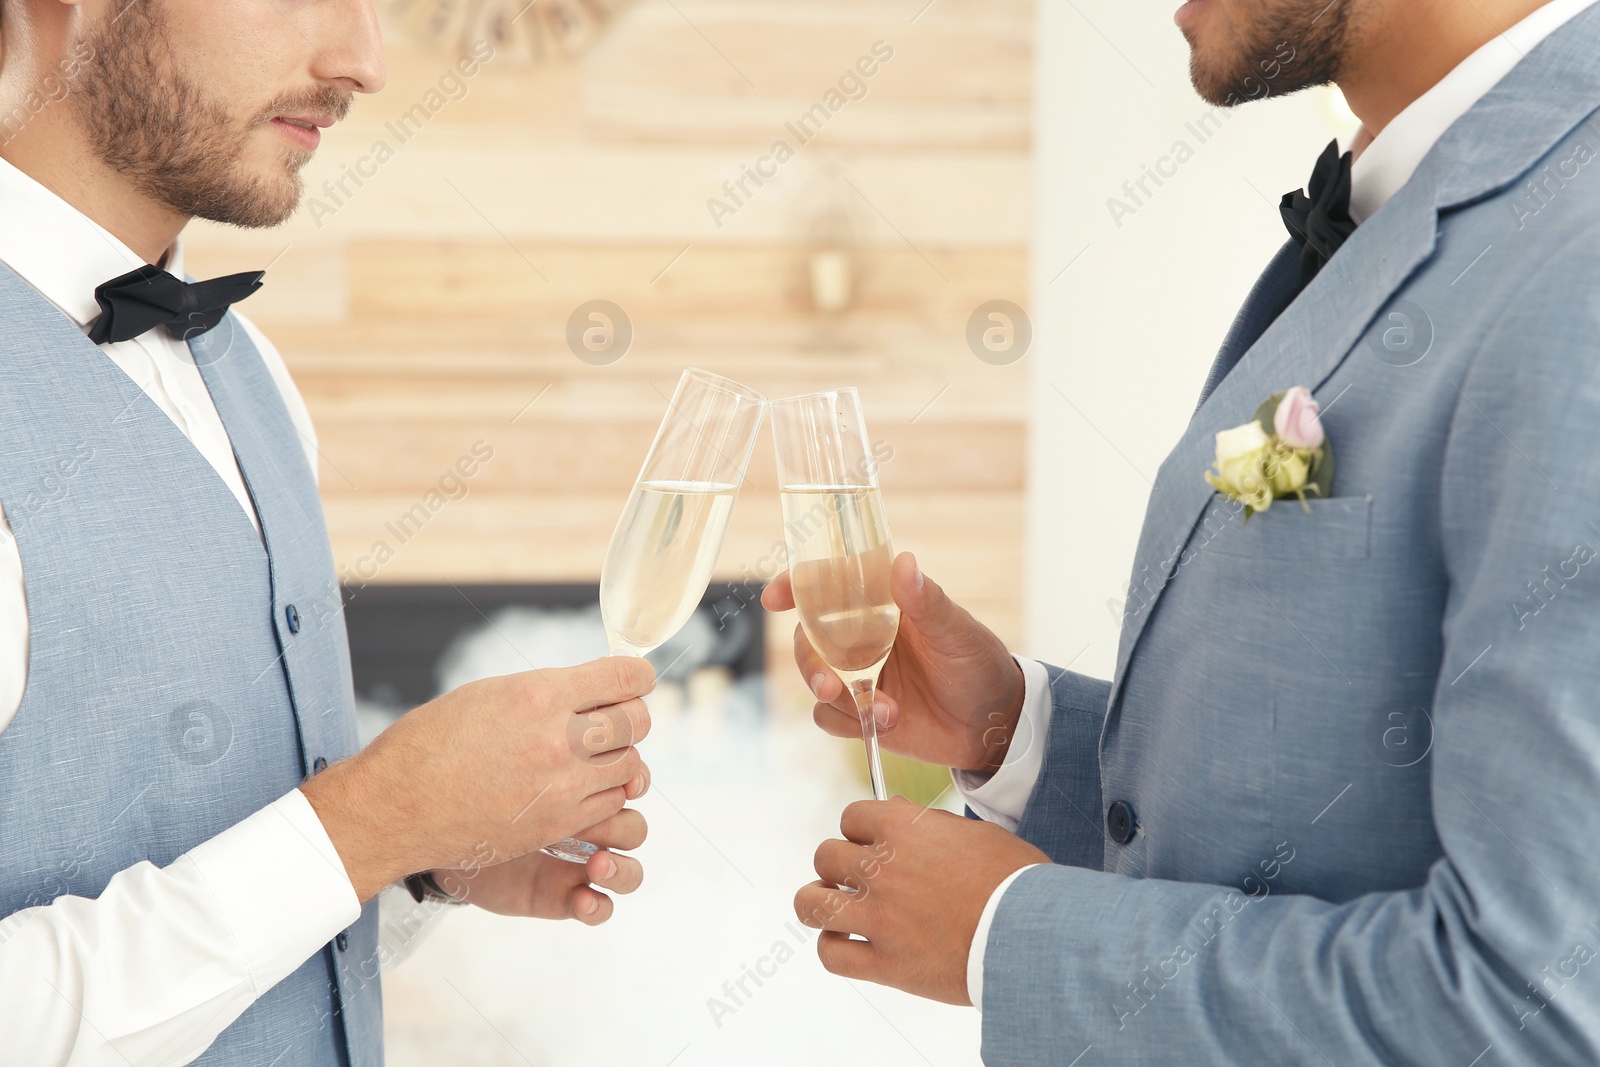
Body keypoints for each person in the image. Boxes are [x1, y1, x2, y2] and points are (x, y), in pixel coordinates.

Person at [766, 0, 1600, 1061]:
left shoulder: (1578, 261)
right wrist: (1016, 734)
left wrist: (1007, 934)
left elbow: (1532, 1011)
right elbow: (1331, 817)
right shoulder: (1409, 196)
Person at [0, 1, 653, 1064]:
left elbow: (218, 918)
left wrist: (419, 859)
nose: (365, 61)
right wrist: (370, 822)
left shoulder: (248, 372)